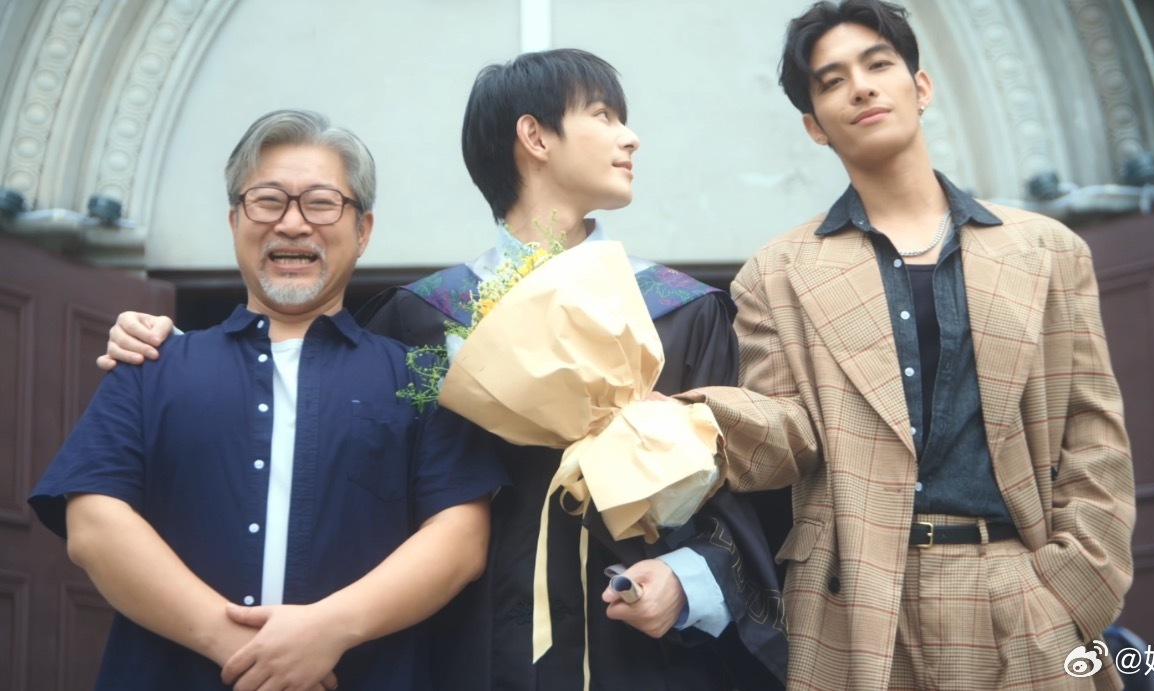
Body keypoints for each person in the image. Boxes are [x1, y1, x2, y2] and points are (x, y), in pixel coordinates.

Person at [98, 50, 789, 691]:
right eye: (605, 115)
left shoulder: (677, 312)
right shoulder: (425, 318)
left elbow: (733, 495)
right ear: (535, 137)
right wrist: (184, 352)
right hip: (464, 653)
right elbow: (325, 447)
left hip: (638, 655)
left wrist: (686, 579)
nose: (630, 138)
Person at [669, 1, 1136, 688]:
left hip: (1019, 589)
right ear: (814, 125)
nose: (860, 88)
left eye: (878, 65)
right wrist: (682, 419)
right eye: (832, 81)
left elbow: (1094, 435)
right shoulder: (778, 273)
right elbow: (788, 434)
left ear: (920, 87)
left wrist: (1069, 593)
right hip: (855, 606)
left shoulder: (1047, 251)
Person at [33, 109, 507, 690]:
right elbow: (94, 522)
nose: (293, 223)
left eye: (321, 203)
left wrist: (327, 631)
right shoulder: (151, 366)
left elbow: (460, 538)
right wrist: (240, 648)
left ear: (363, 230)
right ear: (235, 220)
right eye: (268, 201)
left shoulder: (421, 378)